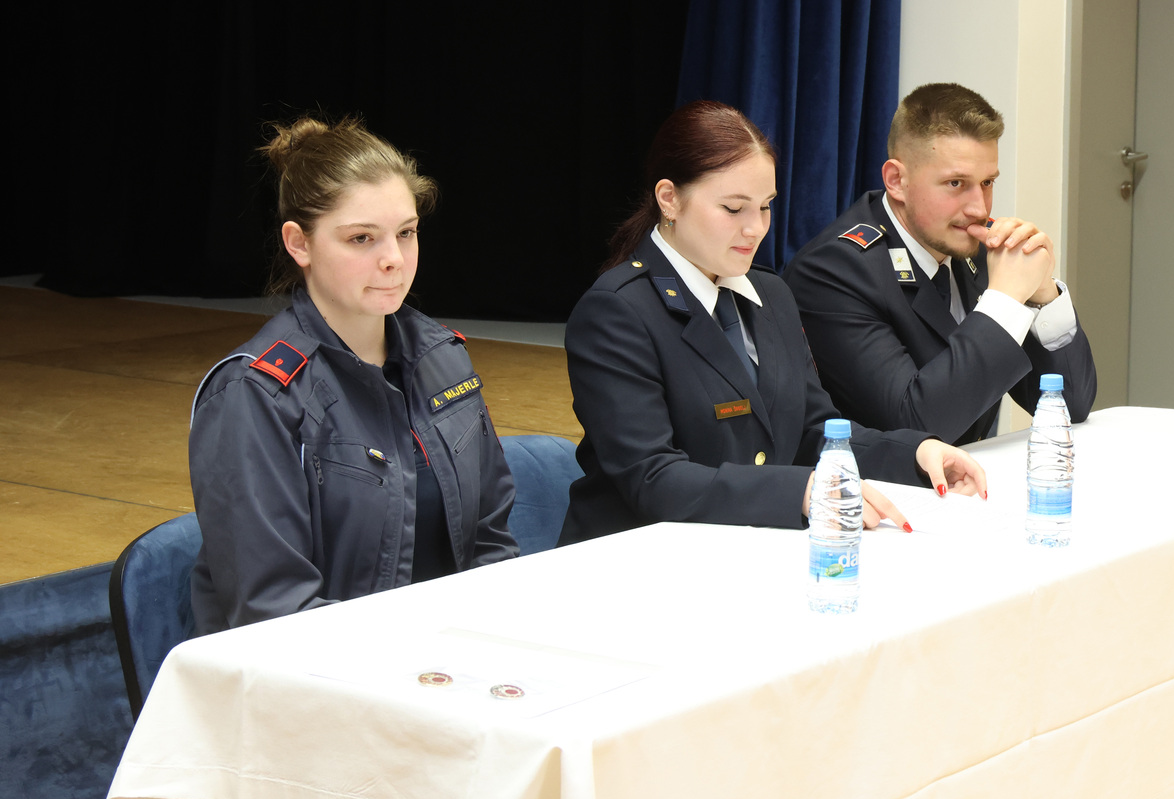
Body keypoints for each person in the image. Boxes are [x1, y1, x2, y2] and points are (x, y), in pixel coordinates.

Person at [559, 100, 986, 546]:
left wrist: (913, 453)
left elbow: (812, 431)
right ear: (669, 199)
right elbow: (652, 479)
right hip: (634, 557)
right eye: (733, 209)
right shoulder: (617, 310)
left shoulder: (770, 294)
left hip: (747, 548)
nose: (755, 229)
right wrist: (799, 491)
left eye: (765, 207)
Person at [189, 117, 517, 635]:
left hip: (448, 658)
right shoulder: (254, 396)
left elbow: (491, 544)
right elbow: (275, 613)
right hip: (322, 672)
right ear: (299, 243)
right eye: (361, 238)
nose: (394, 260)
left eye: (405, 233)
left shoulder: (444, 358)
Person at [783, 83, 1097, 447]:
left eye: (987, 182)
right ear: (896, 181)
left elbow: (1070, 406)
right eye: (956, 183)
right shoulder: (834, 272)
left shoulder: (974, 248)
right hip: (875, 482)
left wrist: (1043, 295)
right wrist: (1005, 300)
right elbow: (916, 426)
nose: (979, 208)